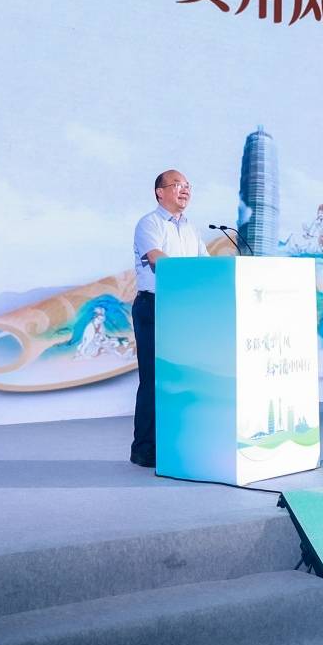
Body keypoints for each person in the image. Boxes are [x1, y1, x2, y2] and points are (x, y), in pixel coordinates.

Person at [130, 169, 207, 467]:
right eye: (177, 185)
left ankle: (176, 443)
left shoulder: (191, 228)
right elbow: (156, 259)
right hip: (154, 307)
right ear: (160, 192)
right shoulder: (149, 223)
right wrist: (188, 278)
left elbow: (205, 265)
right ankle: (144, 448)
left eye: (188, 185)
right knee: (154, 379)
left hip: (182, 309)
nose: (185, 190)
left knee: (180, 378)